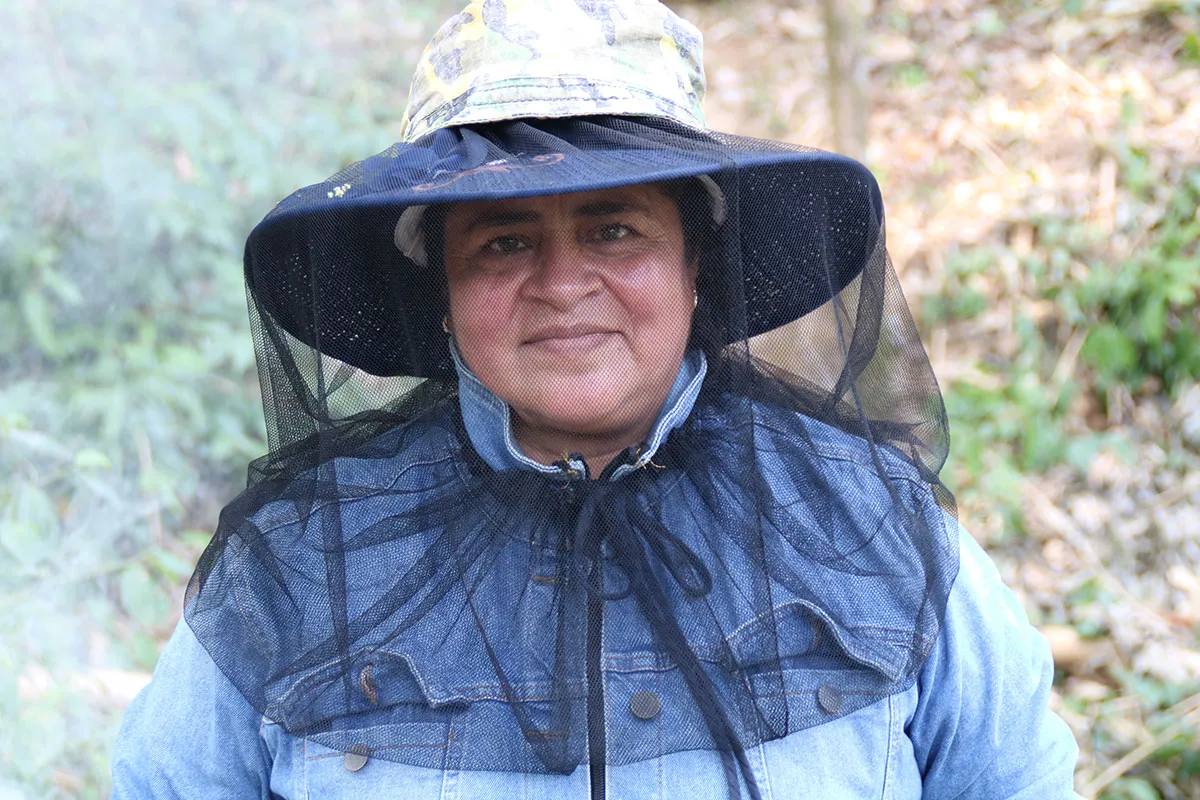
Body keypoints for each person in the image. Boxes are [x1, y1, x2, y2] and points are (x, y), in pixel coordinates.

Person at [111, 0, 1082, 797]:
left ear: (695, 264)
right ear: (440, 291)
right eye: (502, 240)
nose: (562, 281)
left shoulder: (873, 528)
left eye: (614, 228)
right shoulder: (297, 565)